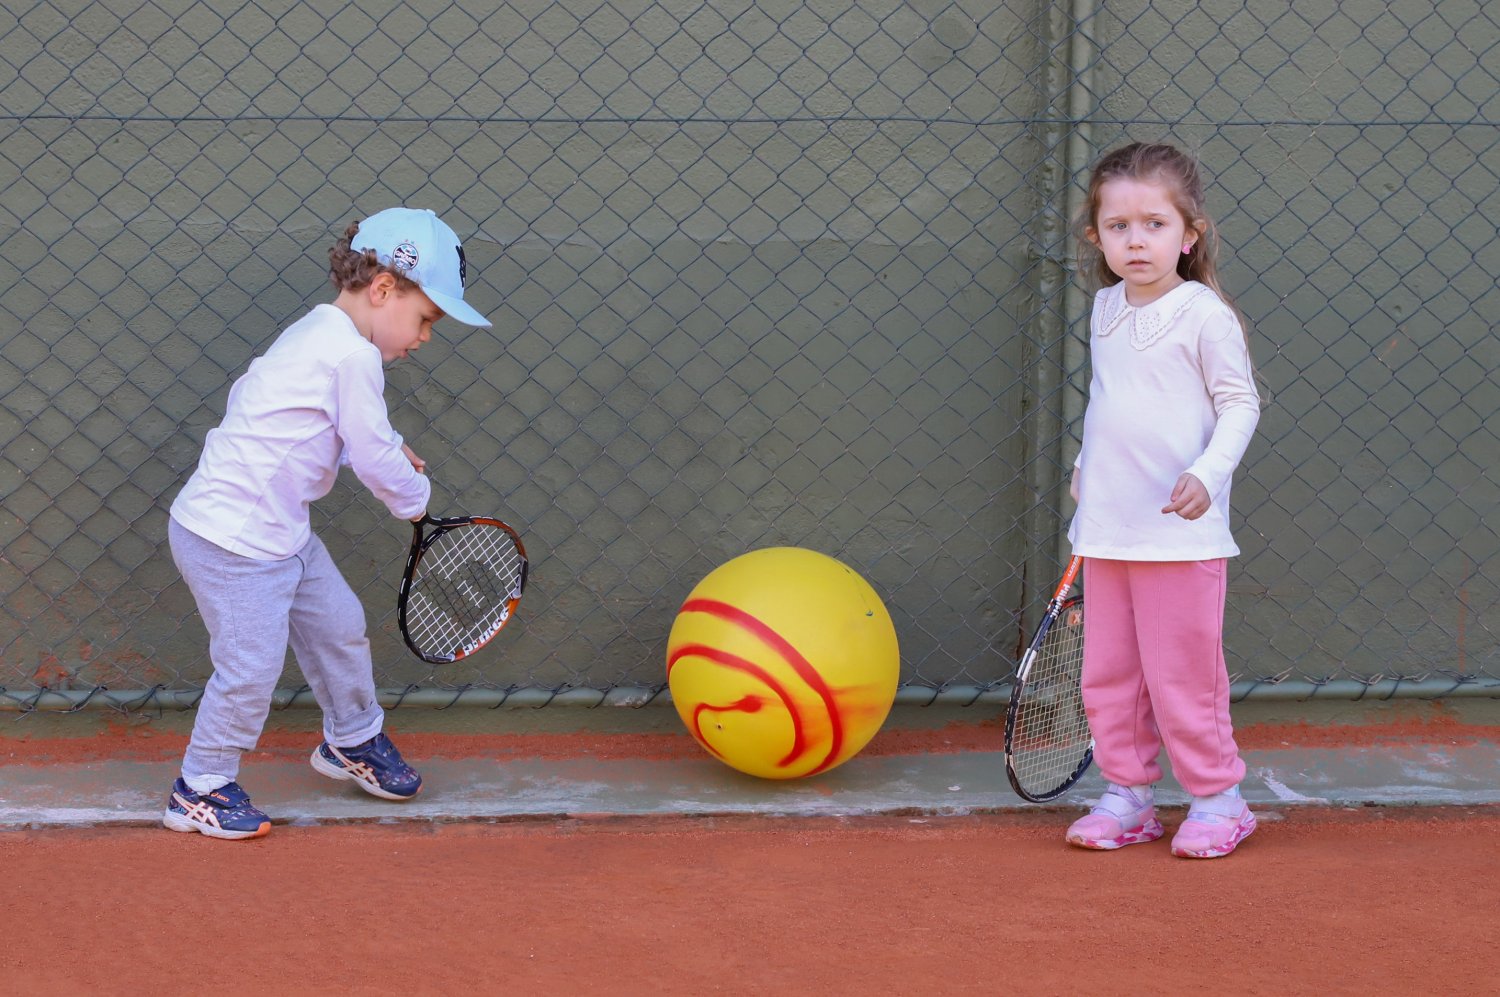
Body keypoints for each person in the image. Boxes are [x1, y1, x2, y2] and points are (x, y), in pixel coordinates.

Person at [162, 207, 492, 839]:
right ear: (384, 288)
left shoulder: (319, 332)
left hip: (278, 531)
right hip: (232, 541)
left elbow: (300, 421)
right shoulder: (352, 358)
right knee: (249, 670)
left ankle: (353, 739)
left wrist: (382, 444)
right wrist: (415, 499)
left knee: (339, 627)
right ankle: (198, 787)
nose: (425, 337)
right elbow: (371, 455)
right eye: (426, 319)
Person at [1063, 143, 1261, 859]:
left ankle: (1218, 800)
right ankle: (1128, 795)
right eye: (1119, 226)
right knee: (1108, 677)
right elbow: (1109, 402)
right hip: (1107, 531)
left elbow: (1239, 404)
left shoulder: (1204, 315)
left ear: (1189, 233)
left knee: (1184, 679)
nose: (1136, 240)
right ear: (1097, 237)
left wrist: (1208, 474)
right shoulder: (1105, 306)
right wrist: (1084, 466)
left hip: (1181, 536)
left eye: (1154, 224)